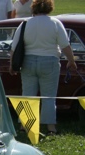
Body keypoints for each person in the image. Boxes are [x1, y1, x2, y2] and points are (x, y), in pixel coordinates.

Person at [10, 0, 77, 135]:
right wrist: (71, 61)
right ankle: (50, 127)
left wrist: (12, 64)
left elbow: (14, 47)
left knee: (28, 95)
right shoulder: (55, 23)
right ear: (49, 8)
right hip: (49, 62)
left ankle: (25, 126)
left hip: (28, 62)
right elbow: (65, 45)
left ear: (33, 8)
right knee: (49, 96)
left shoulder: (25, 23)